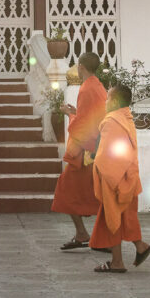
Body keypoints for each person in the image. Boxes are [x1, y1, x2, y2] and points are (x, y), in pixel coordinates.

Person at [89, 84, 150, 273]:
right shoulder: (126, 118)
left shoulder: (112, 121)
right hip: (128, 175)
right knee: (124, 215)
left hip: (115, 177)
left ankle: (117, 262)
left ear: (116, 101)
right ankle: (140, 246)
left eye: (108, 98)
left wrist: (101, 171)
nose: (106, 101)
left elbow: (107, 155)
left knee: (113, 218)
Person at [53, 52, 107, 250]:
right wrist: (77, 112)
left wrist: (69, 114)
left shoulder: (86, 88)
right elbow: (92, 117)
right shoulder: (99, 86)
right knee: (96, 194)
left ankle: (87, 234)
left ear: (81, 67)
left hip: (86, 151)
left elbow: (85, 126)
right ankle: (92, 235)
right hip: (96, 147)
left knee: (66, 189)